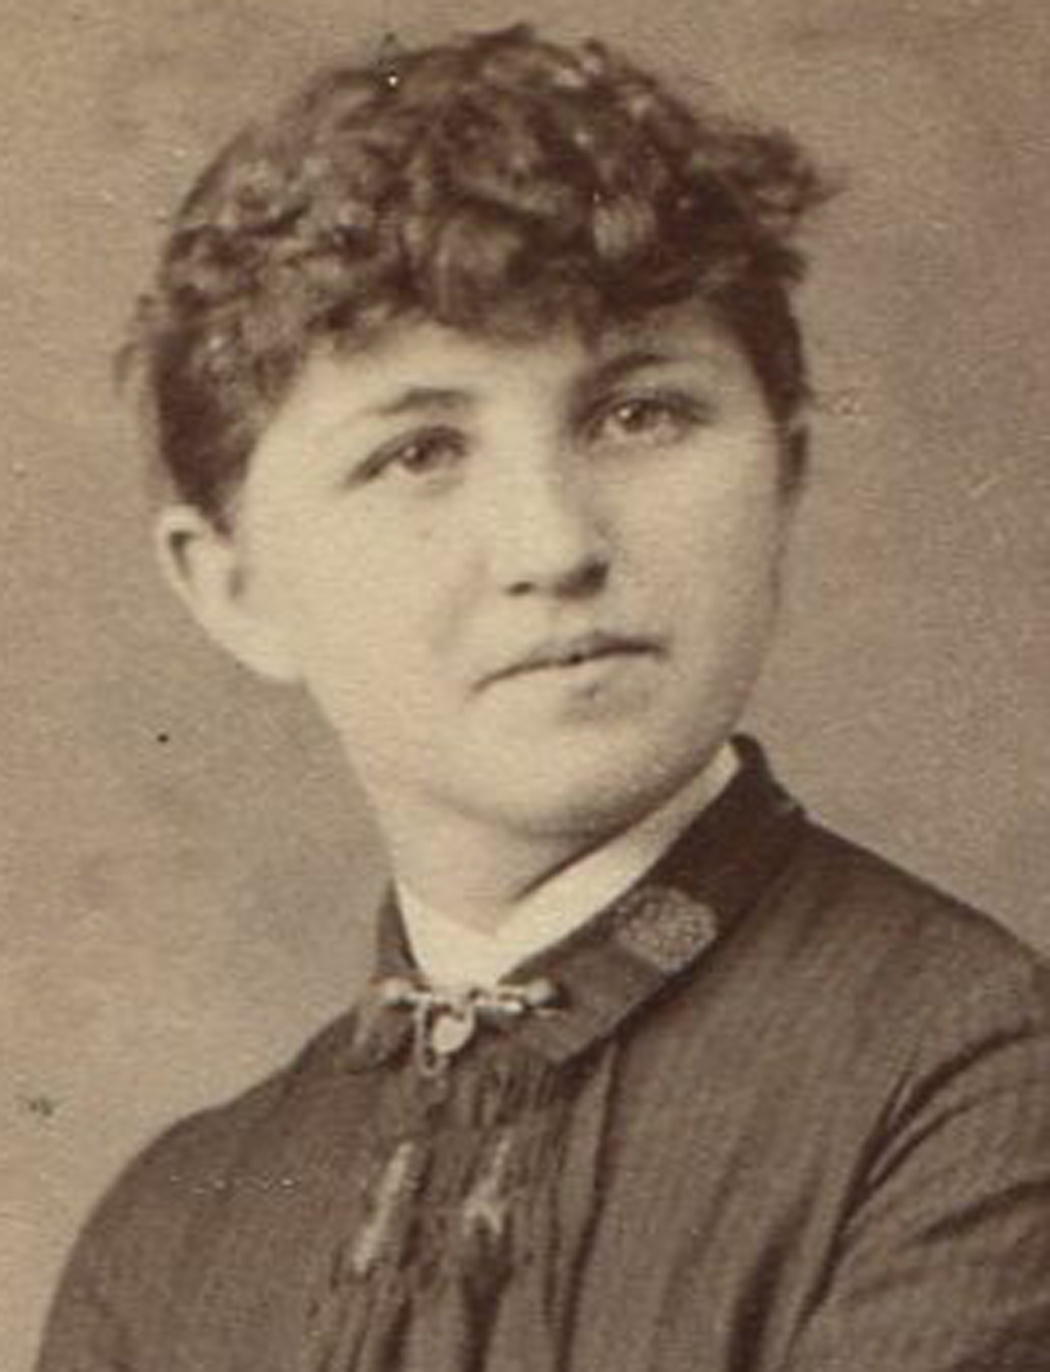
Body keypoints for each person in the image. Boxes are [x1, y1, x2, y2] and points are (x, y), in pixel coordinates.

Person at [37, 22, 1050, 1372]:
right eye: (418, 452)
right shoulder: (171, 1234)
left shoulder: (970, 1073)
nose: (554, 545)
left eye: (639, 414)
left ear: (784, 470)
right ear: (235, 587)